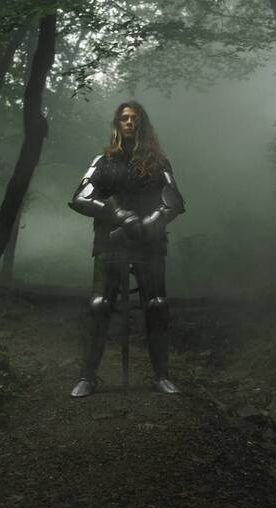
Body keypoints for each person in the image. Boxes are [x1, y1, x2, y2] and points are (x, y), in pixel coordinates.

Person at [68, 101, 186, 398]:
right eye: (124, 118)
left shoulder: (158, 162)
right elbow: (80, 197)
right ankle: (87, 376)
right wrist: (118, 215)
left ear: (141, 123)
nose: (130, 122)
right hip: (110, 240)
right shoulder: (103, 160)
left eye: (134, 118)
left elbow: (174, 202)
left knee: (157, 305)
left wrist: (149, 223)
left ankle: (161, 376)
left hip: (150, 242)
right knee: (99, 305)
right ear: (117, 123)